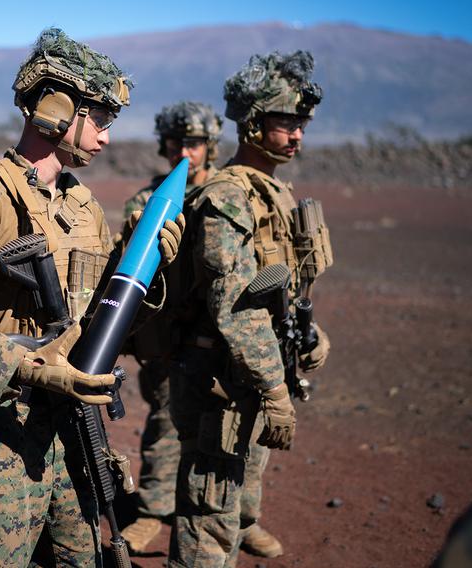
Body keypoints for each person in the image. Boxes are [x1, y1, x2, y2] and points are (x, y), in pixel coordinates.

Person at [0, 28, 182, 567]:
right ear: (57, 108)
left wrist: (146, 278)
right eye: (99, 118)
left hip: (71, 443)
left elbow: (101, 321)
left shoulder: (83, 207)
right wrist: (33, 369)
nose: (106, 136)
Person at [167, 51, 333, 567]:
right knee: (210, 515)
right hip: (221, 378)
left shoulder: (275, 192)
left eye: (302, 124)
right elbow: (234, 307)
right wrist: (274, 389)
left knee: (237, 509)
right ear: (254, 124)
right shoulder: (228, 197)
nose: (298, 134)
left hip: (253, 374)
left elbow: (279, 291)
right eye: (287, 123)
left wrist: (312, 336)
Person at [119, 101, 222, 553]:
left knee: (229, 433)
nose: (186, 150)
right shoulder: (147, 201)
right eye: (178, 142)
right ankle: (152, 513)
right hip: (167, 339)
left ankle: (239, 515)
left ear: (210, 147)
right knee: (163, 426)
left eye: (195, 143)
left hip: (217, 338)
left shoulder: (225, 196)